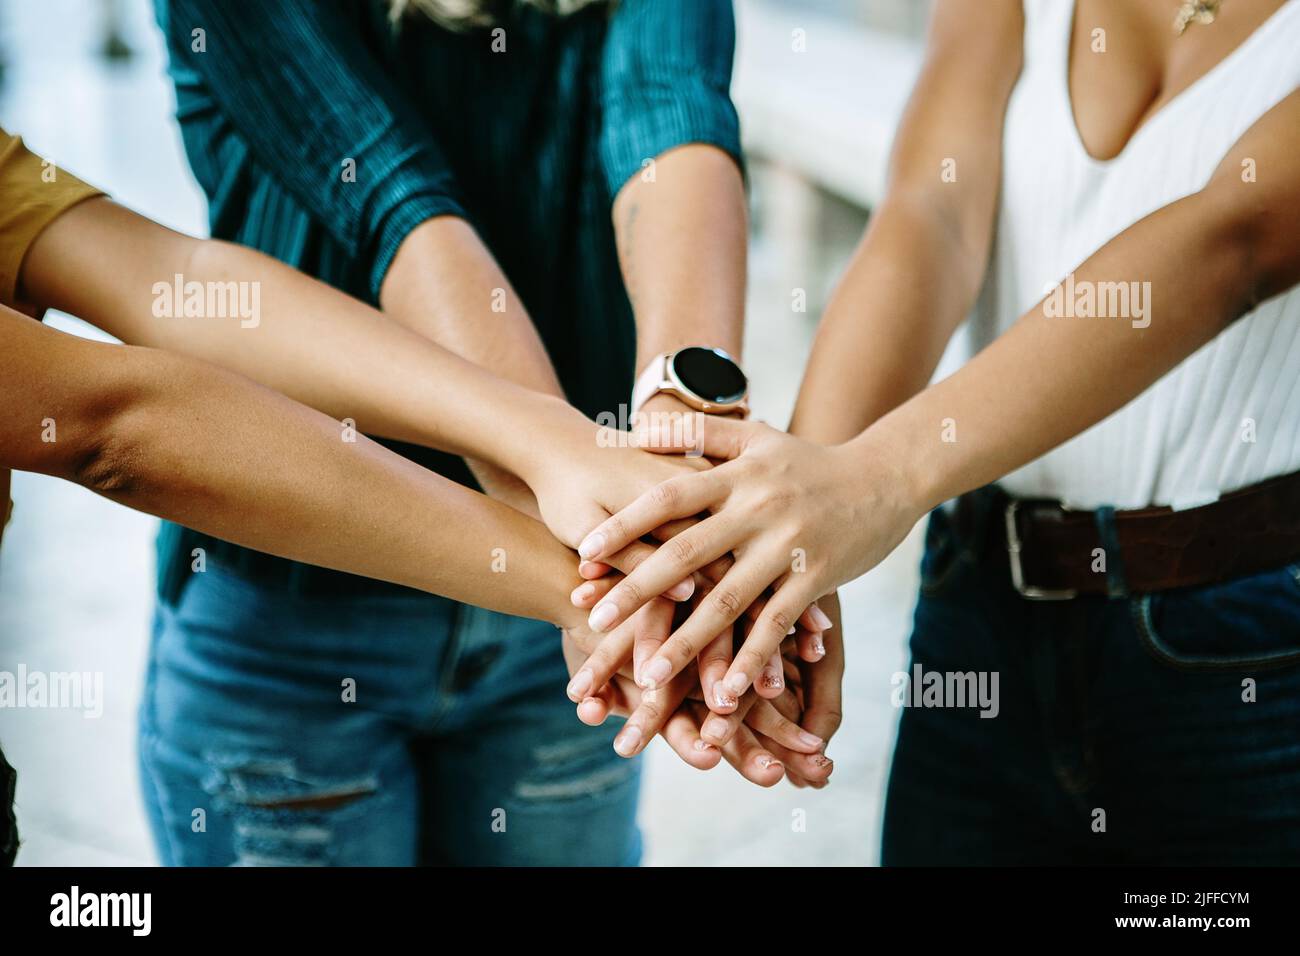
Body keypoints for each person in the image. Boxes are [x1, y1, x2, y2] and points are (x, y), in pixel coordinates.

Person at [575, 0, 1300, 864]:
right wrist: (799, 518)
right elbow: (933, 213)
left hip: (1248, 636)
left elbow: (1239, 240)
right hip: (982, 600)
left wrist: (875, 481)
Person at [0, 128, 823, 863]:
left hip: (544, 640)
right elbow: (104, 422)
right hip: (287, 640)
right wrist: (638, 585)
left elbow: (171, 278)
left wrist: (571, 450)